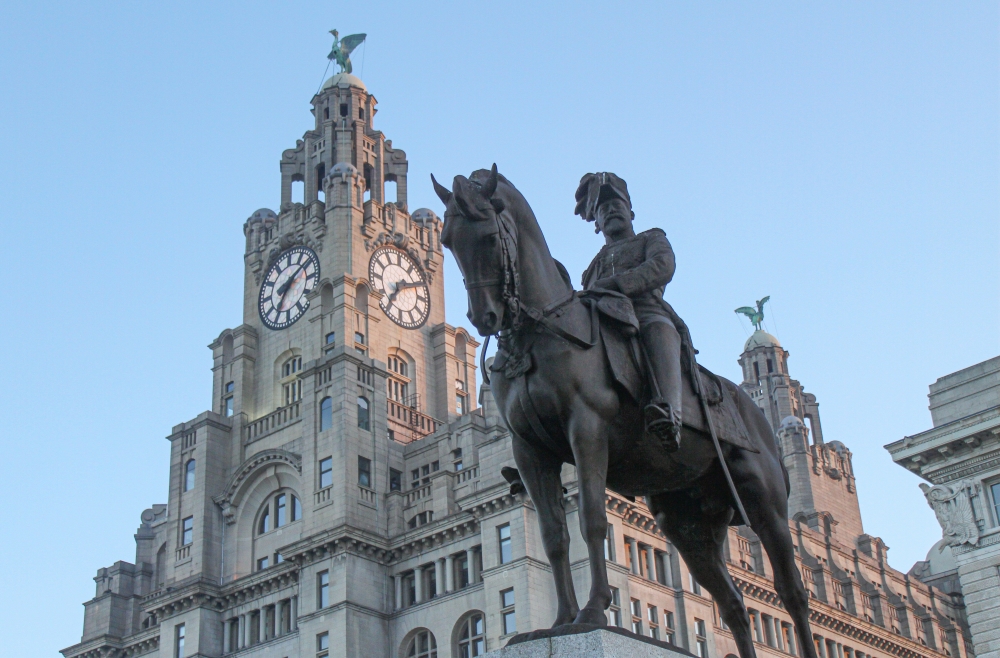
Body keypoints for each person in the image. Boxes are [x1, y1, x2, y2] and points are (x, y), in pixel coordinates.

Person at [576, 172, 687, 452]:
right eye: (603, 208)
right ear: (597, 224)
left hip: (645, 311)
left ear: (631, 212)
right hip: (603, 322)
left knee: (658, 330)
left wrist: (616, 284)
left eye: (618, 205)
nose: (611, 210)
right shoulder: (593, 266)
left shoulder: (652, 238)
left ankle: (669, 412)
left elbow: (663, 266)